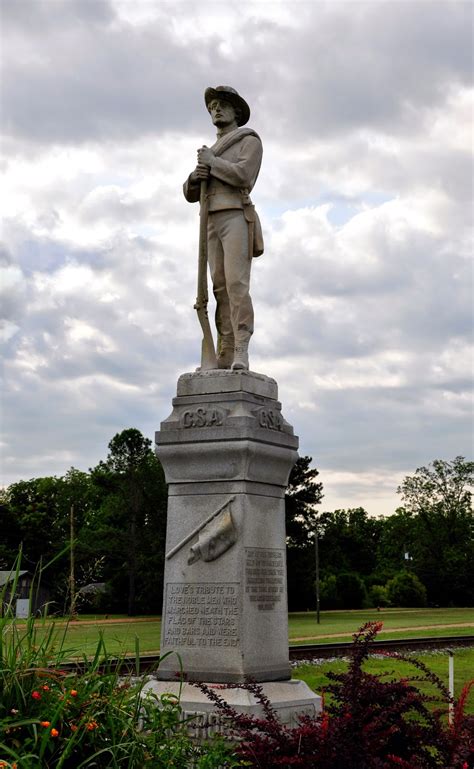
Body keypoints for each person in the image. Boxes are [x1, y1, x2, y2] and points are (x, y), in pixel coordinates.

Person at [183, 86, 263, 371]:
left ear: (236, 112)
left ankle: (241, 349)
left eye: (223, 105)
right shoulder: (210, 151)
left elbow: (243, 175)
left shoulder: (248, 141)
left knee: (236, 284)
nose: (216, 109)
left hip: (235, 216)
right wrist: (196, 176)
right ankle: (224, 351)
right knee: (218, 289)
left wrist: (212, 163)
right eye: (213, 105)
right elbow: (190, 192)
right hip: (211, 221)